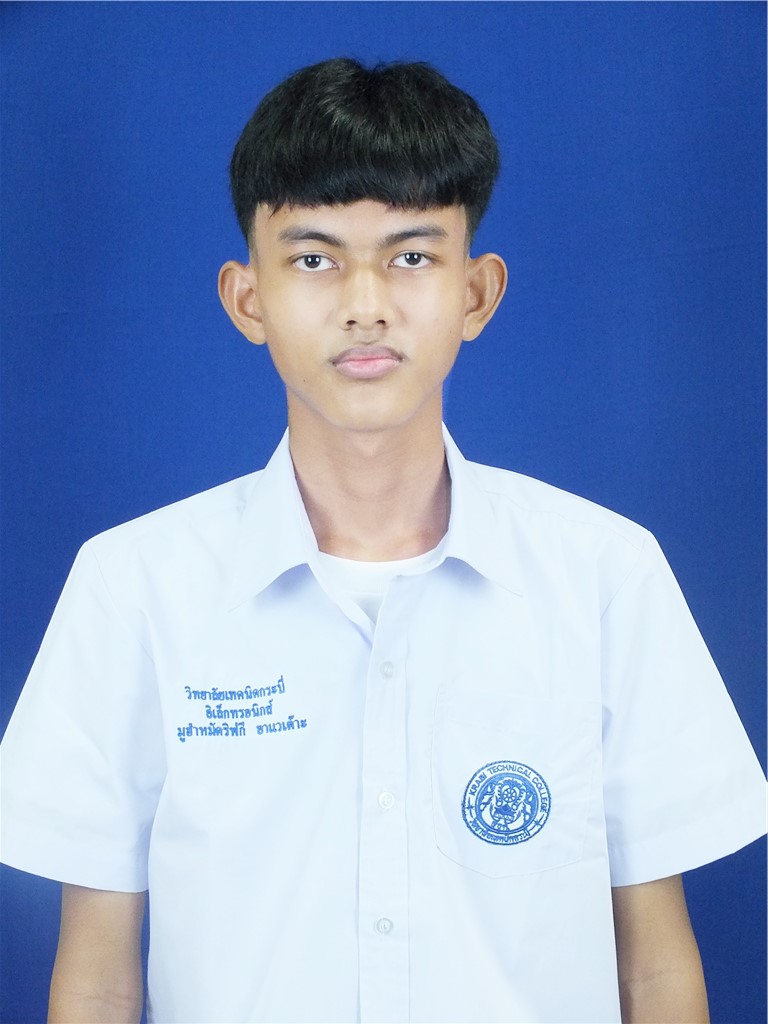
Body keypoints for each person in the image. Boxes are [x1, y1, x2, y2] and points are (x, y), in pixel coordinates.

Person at [0, 57, 765, 1024]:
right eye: (314, 259)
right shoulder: (135, 587)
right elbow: (99, 978)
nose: (365, 304)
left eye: (410, 257)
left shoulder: (605, 573)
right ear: (247, 299)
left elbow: (653, 970)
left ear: (476, 293)